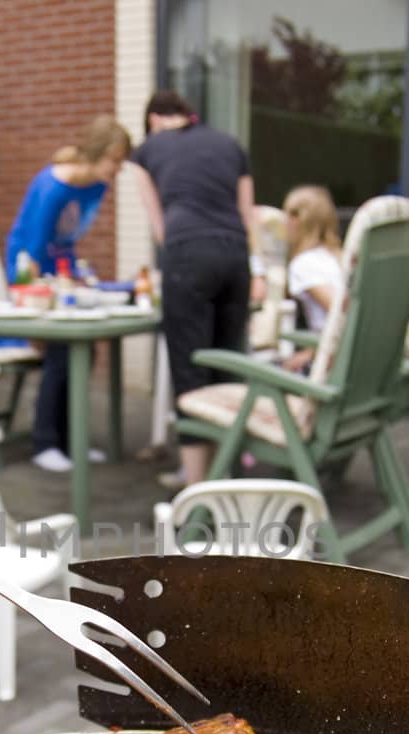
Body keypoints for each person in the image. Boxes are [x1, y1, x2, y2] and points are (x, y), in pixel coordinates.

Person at [130, 90, 266, 490]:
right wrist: (257, 271)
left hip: (188, 254)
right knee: (228, 363)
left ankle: (196, 488)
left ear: (155, 119)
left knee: (189, 370)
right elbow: (248, 216)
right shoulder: (230, 145)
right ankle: (226, 474)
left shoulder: (146, 151)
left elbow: (160, 228)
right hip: (235, 257)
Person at [2, 117, 132, 473]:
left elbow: (66, 243)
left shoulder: (96, 187)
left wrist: (75, 276)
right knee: (61, 355)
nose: (119, 170)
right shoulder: (52, 187)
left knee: (82, 354)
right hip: (30, 274)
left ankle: (71, 439)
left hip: (61, 273)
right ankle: (45, 442)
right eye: (116, 161)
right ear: (97, 153)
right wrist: (34, 290)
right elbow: (33, 245)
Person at [279, 184, 345, 374]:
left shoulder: (304, 264)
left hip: (329, 366)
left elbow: (341, 312)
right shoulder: (336, 256)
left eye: (287, 215)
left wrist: (310, 354)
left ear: (297, 219)